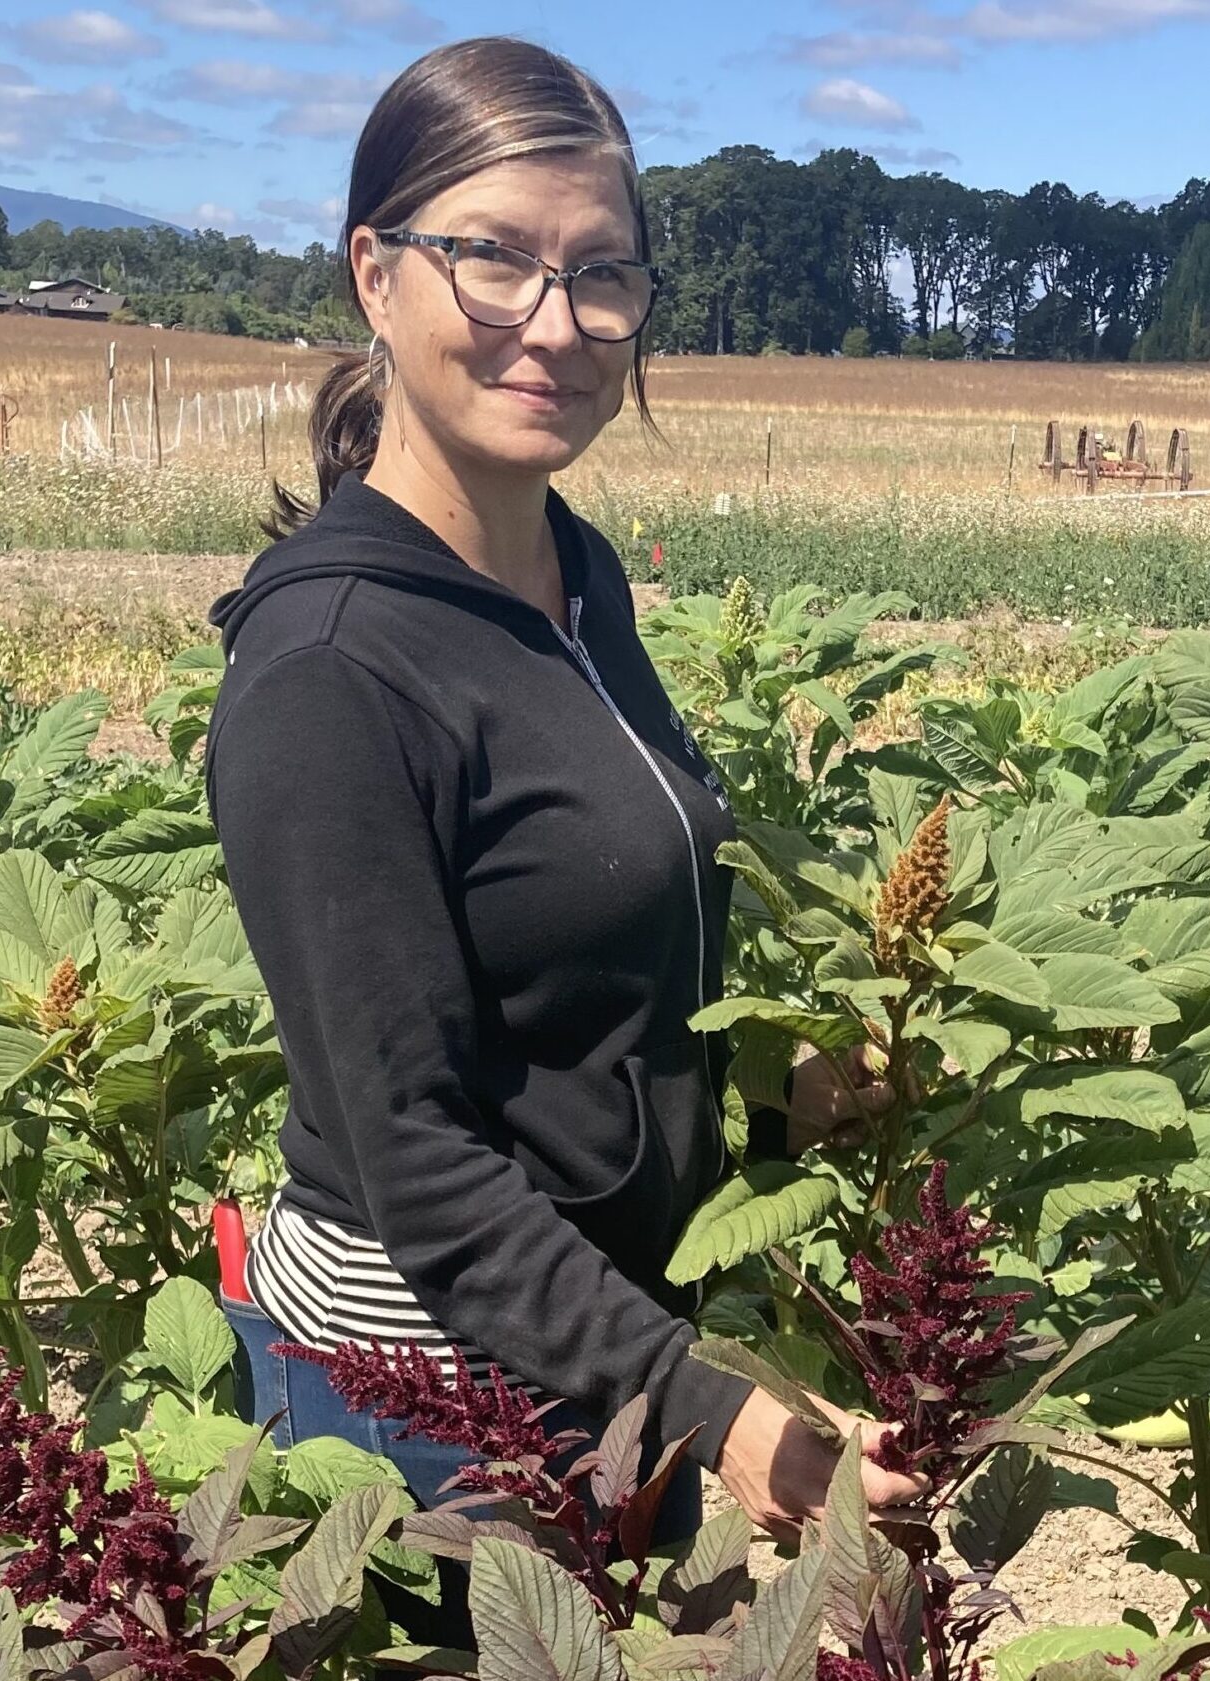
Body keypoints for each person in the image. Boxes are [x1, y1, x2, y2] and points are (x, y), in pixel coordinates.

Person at [203, 32, 924, 1645]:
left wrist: (781, 1093)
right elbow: (421, 1164)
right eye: (498, 261)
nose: (559, 323)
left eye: (604, 275)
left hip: (615, 1338)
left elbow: (605, 938)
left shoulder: (570, 571)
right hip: (442, 1394)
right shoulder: (327, 678)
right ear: (375, 274)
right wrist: (721, 1415)